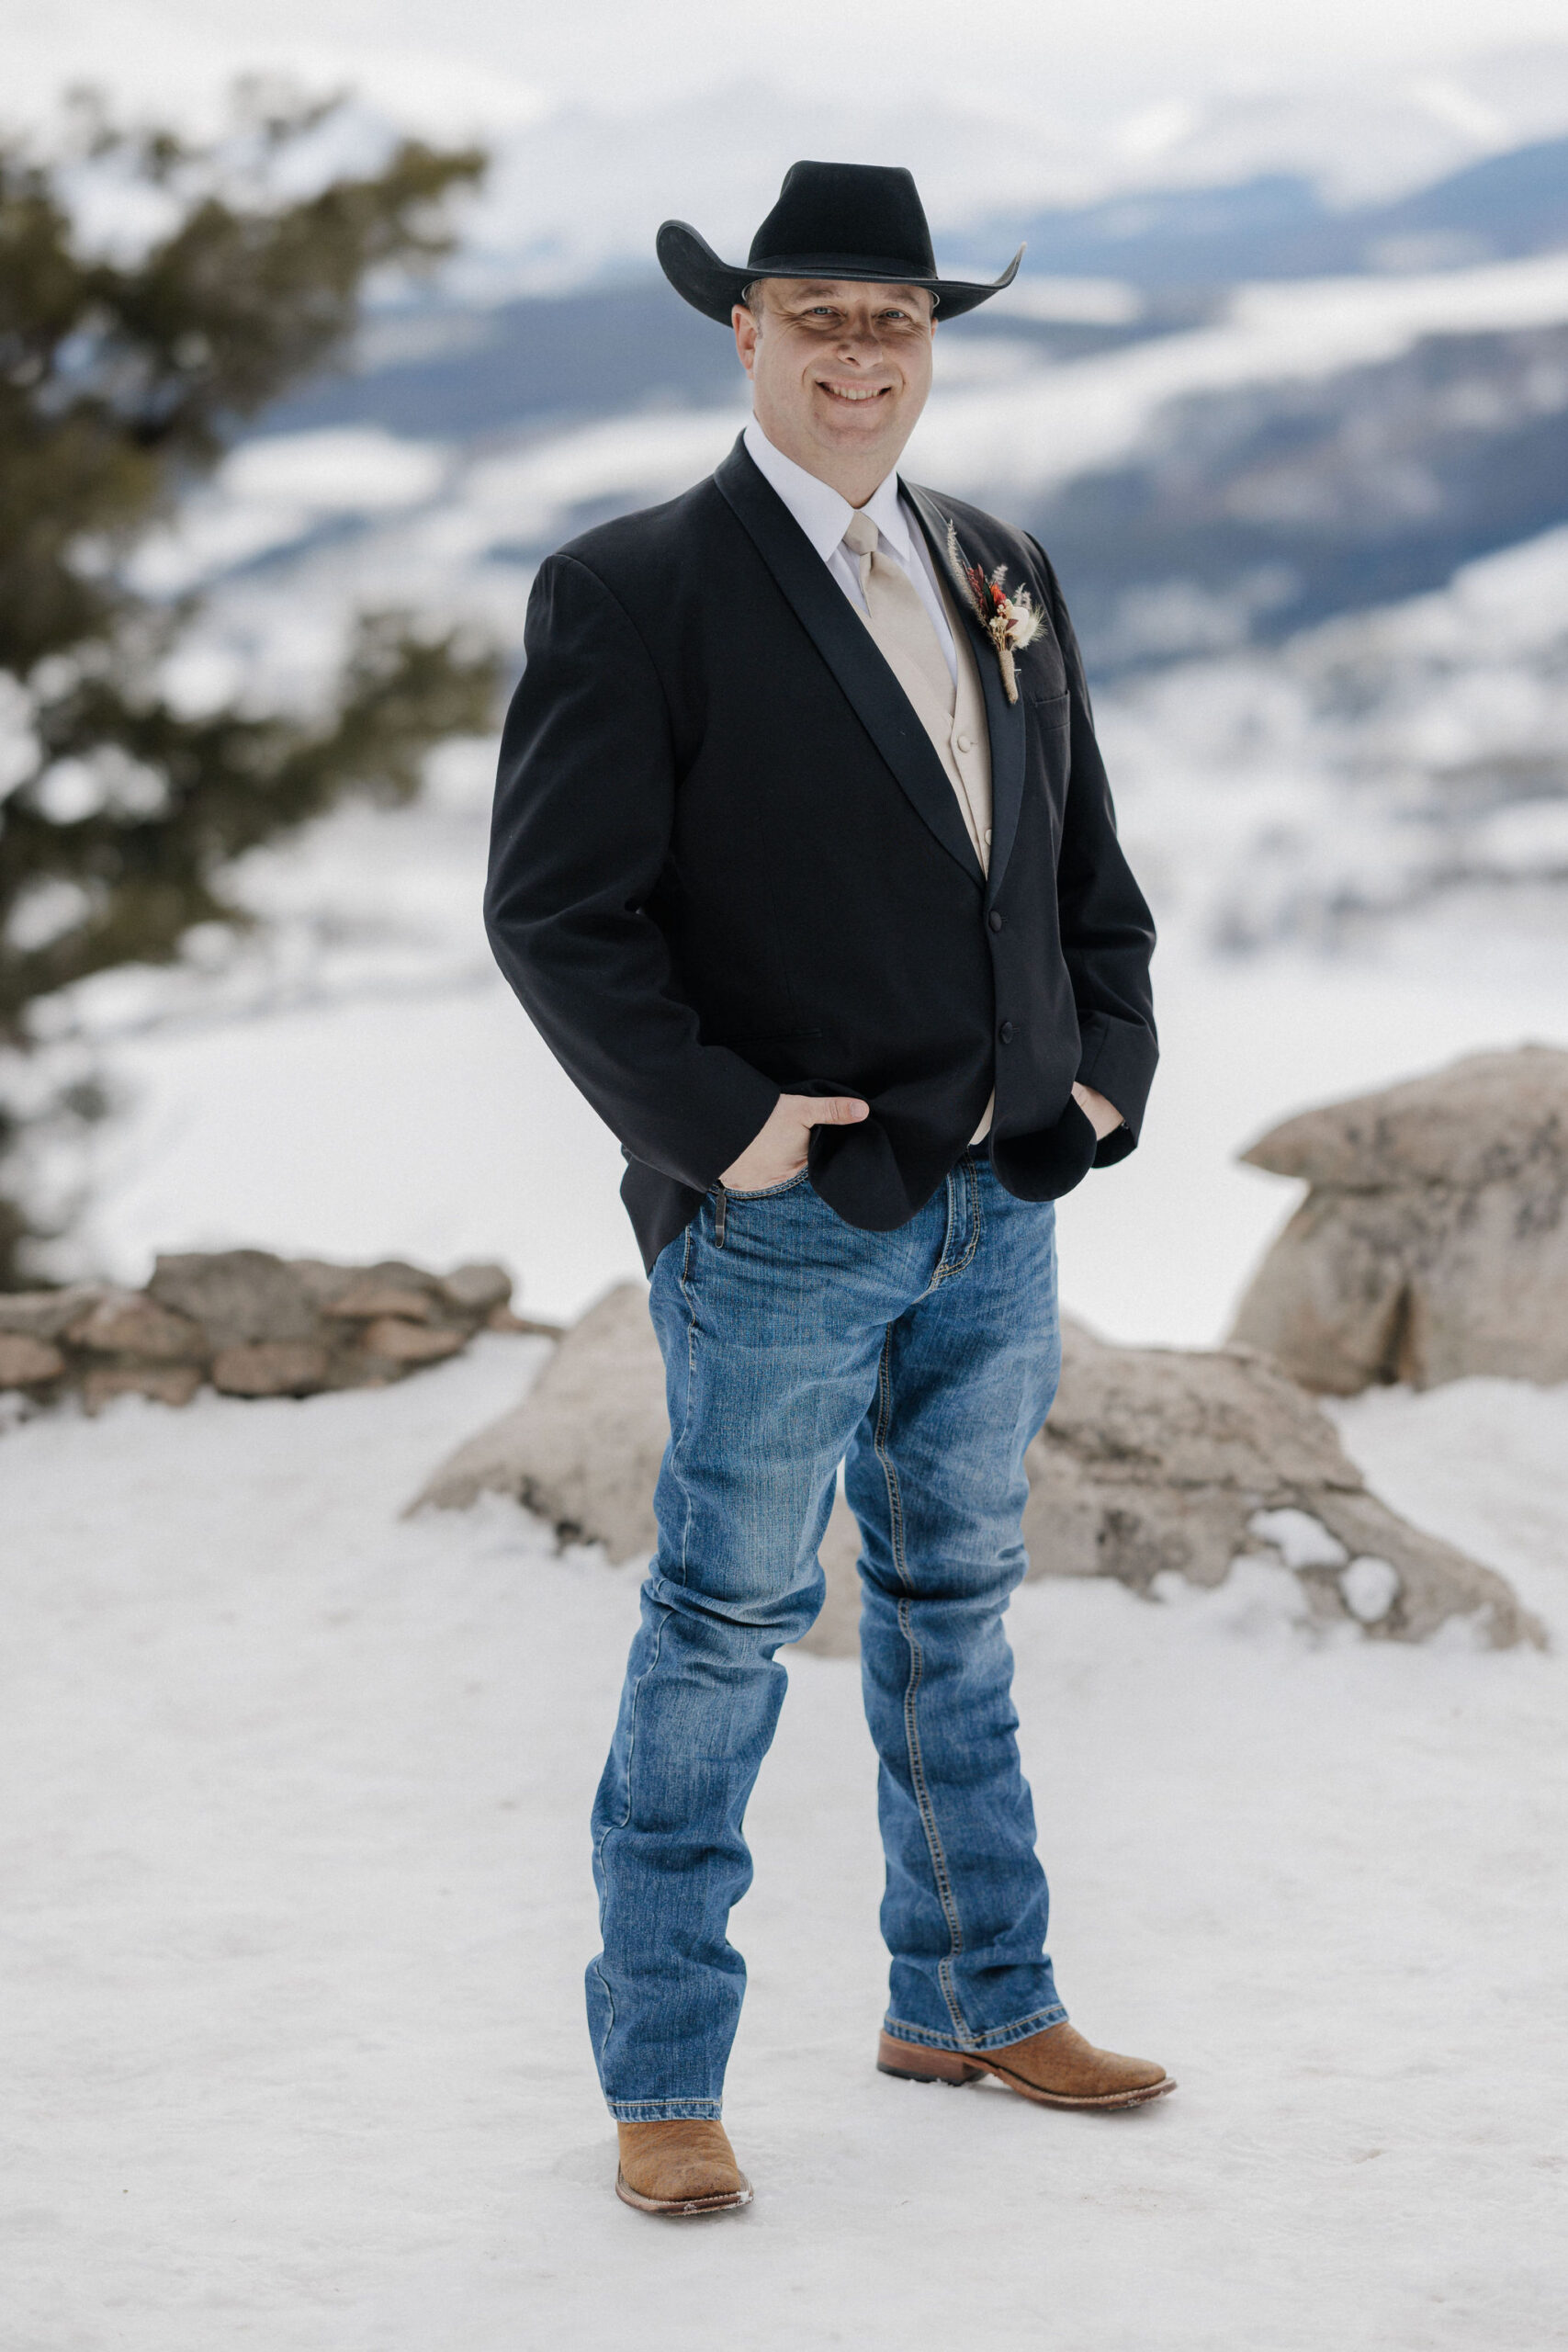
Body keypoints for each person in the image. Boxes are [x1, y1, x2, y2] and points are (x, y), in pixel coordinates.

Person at [485, 161, 1170, 2219]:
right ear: (744, 335)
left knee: (955, 1612)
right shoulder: (631, 589)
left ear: (927, 343)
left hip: (997, 1205)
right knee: (719, 1632)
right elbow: (553, 912)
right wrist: (726, 1127)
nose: (859, 354)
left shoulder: (997, 560)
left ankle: (969, 1993)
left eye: (895, 319)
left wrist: (1103, 1076)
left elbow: (1078, 874)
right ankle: (665, 2079)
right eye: (819, 317)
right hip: (783, 1224)